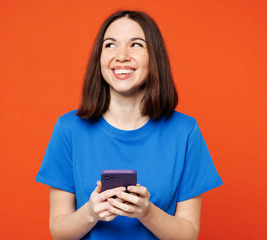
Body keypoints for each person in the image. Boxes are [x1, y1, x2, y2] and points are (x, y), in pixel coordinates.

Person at [36, 10, 222, 240]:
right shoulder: (68, 129)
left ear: (154, 56)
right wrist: (90, 212)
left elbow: (189, 235)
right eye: (110, 45)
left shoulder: (185, 131)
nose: (121, 56)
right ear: (99, 58)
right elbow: (59, 232)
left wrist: (147, 212)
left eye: (136, 44)